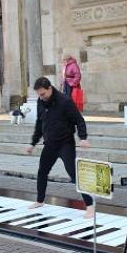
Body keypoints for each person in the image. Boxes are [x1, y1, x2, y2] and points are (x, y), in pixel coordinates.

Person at [25, 77, 95, 219]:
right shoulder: (41, 102)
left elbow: (79, 120)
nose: (41, 97)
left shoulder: (65, 101)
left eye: (43, 94)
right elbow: (39, 124)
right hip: (50, 144)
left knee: (73, 173)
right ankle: (39, 200)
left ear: (49, 88)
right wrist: (32, 143)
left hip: (65, 143)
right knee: (42, 171)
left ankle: (90, 206)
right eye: (39, 95)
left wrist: (83, 137)